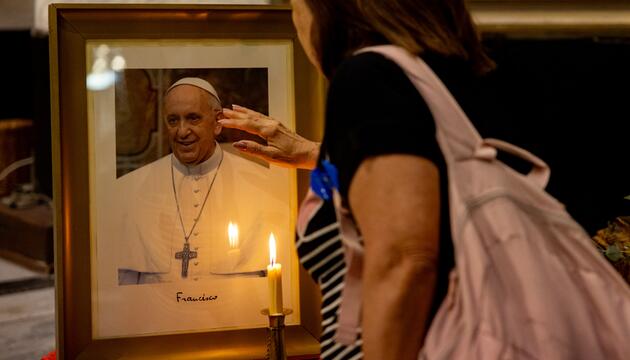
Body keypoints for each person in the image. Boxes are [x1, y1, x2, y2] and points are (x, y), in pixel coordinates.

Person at [219, 1, 494, 359]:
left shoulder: (369, 76)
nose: (295, 19)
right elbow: (425, 177)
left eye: (295, 5)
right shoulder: (445, 79)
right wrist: (316, 153)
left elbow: (405, 260)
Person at [116, 77, 285, 285]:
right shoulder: (129, 190)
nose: (182, 131)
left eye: (193, 118)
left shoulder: (261, 186)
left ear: (217, 123)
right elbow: (124, 286)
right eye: (173, 120)